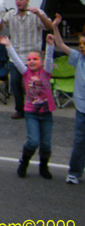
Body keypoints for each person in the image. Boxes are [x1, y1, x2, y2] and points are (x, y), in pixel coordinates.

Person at [0, 32, 56, 179]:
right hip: (31, 113)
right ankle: (24, 162)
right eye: (29, 59)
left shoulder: (46, 72)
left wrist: (50, 45)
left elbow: (49, 59)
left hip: (46, 114)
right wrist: (8, 46)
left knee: (46, 144)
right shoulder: (26, 72)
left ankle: (44, 166)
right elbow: (17, 60)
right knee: (33, 141)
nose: (31, 61)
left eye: (35, 59)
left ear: (42, 62)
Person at [0, 0, 53, 119]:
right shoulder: (10, 14)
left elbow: (49, 26)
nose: (18, 1)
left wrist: (39, 14)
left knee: (34, 84)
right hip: (16, 57)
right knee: (15, 83)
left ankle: (35, 108)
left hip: (32, 57)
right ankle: (20, 110)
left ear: (27, 1)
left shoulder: (36, 13)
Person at [47, 14, 85, 184]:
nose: (82, 47)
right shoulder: (78, 58)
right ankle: (74, 172)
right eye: (80, 44)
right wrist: (55, 26)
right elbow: (61, 44)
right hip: (82, 108)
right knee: (79, 140)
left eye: (84, 45)